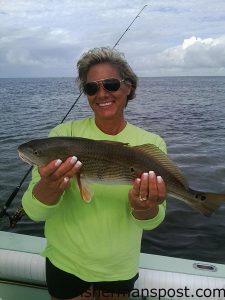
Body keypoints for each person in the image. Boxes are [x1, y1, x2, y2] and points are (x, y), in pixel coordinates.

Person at [22, 47, 167, 300]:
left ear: (128, 87)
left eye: (110, 84)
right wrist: (50, 187)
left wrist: (143, 207)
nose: (102, 94)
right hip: (64, 263)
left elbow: (153, 221)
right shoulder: (61, 134)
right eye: (91, 88)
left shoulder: (151, 144)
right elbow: (34, 212)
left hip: (119, 268)